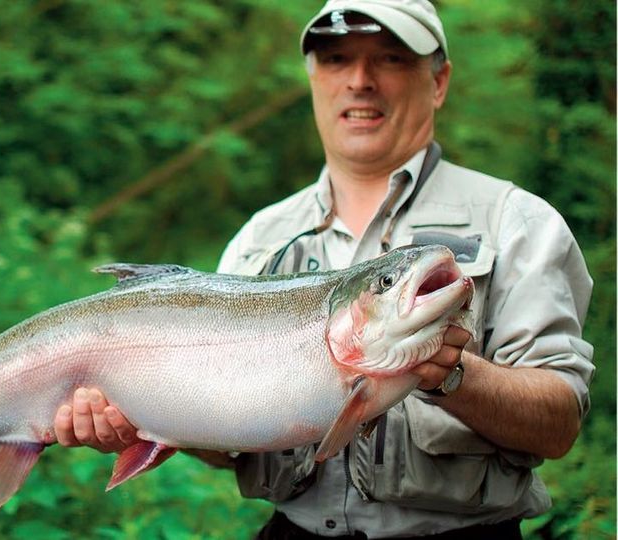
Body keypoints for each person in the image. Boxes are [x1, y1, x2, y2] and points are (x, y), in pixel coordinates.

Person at [53, 0, 595, 538]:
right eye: (336, 59)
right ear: (314, 78)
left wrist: (452, 374)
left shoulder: (517, 221)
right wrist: (141, 421)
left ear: (438, 81)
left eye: (390, 58)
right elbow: (226, 449)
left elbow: (559, 424)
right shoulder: (260, 238)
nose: (360, 80)